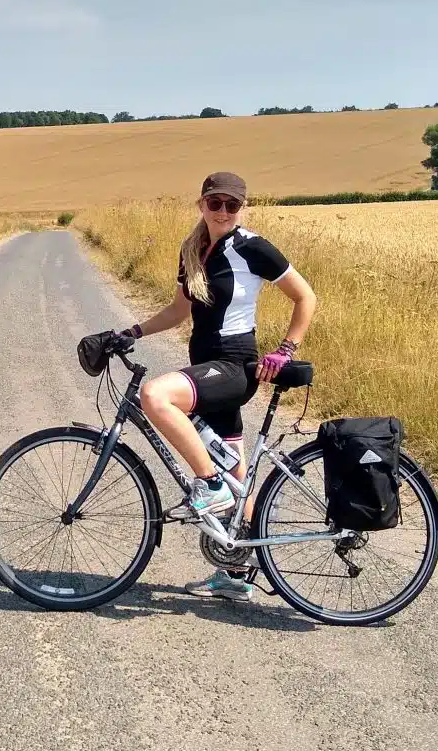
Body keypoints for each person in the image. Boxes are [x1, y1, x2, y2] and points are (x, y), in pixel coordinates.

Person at [116, 172, 317, 601]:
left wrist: (285, 349)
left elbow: (305, 297)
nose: (223, 211)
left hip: (231, 367)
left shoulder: (252, 247)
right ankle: (235, 575)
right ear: (201, 204)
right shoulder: (194, 250)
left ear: (243, 207)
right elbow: (176, 312)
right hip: (205, 364)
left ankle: (207, 484)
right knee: (238, 478)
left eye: (232, 204)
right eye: (215, 202)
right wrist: (129, 332)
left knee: (155, 395)